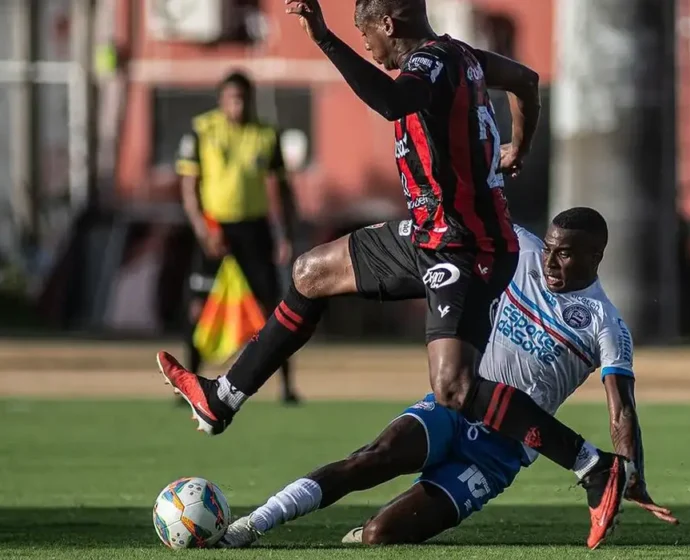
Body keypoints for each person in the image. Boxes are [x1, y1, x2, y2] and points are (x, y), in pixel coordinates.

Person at [157, 0, 630, 542]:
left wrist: (324, 38)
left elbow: (391, 101)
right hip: (428, 235)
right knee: (311, 273)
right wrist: (517, 146)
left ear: (387, 24)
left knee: (453, 387)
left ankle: (593, 465)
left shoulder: (430, 66)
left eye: (366, 37)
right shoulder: (464, 58)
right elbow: (524, 80)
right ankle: (223, 398)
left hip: (466, 247)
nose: (367, 49)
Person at [217, 209, 679, 551]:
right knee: (371, 459)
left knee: (382, 536)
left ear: (595, 255)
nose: (550, 262)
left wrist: (631, 472)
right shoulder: (521, 251)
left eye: (565, 255)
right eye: (551, 249)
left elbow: (622, 410)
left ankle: (380, 527)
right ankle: (253, 524)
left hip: (499, 454)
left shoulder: (606, 324)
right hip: (453, 406)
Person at [175, 70, 301, 405]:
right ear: (221, 100)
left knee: (276, 309)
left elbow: (280, 189)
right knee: (197, 307)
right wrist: (203, 230)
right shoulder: (202, 130)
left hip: (254, 229)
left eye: (243, 99)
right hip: (214, 228)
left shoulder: (265, 135)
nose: (238, 105)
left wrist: (284, 234)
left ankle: (286, 386)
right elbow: (189, 187)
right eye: (232, 99)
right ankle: (189, 382)